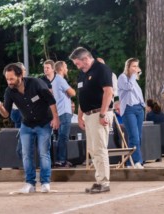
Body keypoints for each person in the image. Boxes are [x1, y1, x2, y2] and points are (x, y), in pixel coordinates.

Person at [0, 63, 59, 194]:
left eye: (11, 79)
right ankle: (30, 184)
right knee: (26, 154)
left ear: (20, 76)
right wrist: (0, 108)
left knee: (43, 152)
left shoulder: (36, 83)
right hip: (27, 125)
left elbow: (51, 100)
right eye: (7, 79)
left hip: (44, 123)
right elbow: (6, 114)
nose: (9, 82)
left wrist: (55, 118)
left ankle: (45, 183)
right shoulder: (9, 91)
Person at [69, 47, 113, 194]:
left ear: (85, 59)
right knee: (93, 150)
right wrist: (80, 115)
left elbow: (108, 91)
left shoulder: (101, 69)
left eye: (77, 63)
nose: (77, 66)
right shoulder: (82, 74)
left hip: (98, 114)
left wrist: (102, 113)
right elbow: (83, 96)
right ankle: (99, 180)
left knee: (100, 149)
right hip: (88, 115)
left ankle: (104, 183)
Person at [117, 58, 145, 169]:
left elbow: (138, 94)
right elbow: (128, 87)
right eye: (133, 66)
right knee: (134, 136)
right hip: (129, 109)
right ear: (128, 67)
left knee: (139, 136)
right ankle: (136, 162)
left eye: (137, 66)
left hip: (139, 109)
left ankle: (132, 162)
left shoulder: (134, 81)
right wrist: (134, 75)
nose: (136, 68)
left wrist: (143, 105)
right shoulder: (122, 77)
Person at [52, 60, 76, 167]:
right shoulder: (60, 80)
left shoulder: (55, 80)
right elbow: (72, 93)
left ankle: (61, 159)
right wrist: (71, 92)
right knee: (63, 136)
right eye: (66, 67)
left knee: (61, 136)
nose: (67, 69)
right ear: (61, 68)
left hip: (60, 111)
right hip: (64, 111)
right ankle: (61, 160)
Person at [10, 62, 26, 160]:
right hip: (18, 111)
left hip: (17, 110)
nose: (25, 71)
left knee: (20, 133)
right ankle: (20, 156)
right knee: (21, 134)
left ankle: (20, 158)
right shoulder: (19, 82)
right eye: (24, 70)